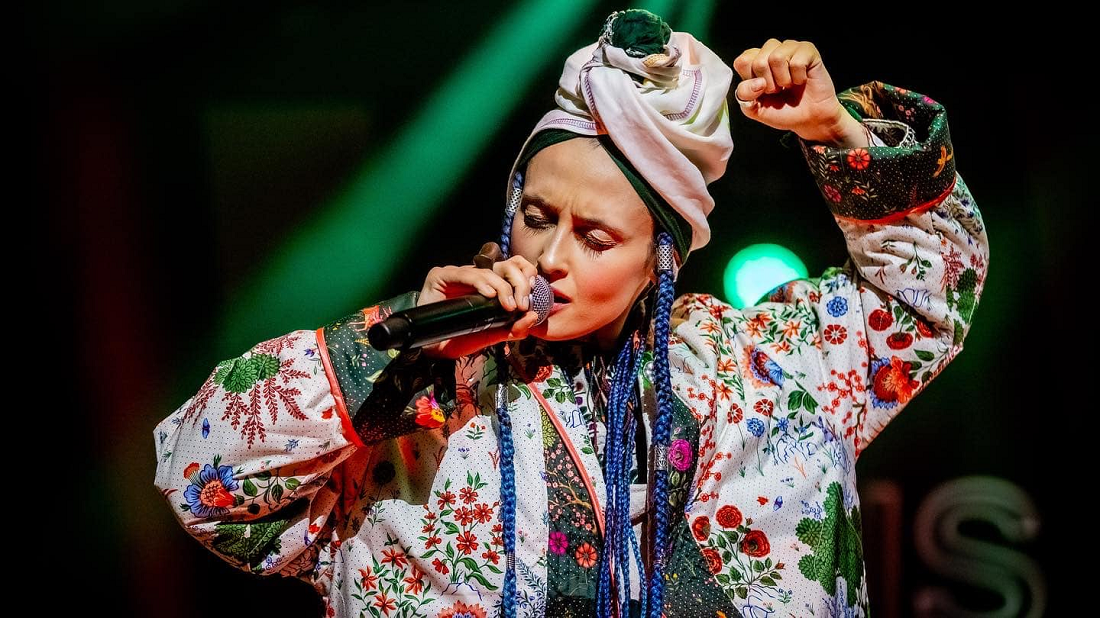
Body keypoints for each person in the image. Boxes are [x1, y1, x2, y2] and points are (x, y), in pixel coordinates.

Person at [153, 9, 988, 618]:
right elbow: (200, 476)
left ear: (661, 259)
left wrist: (837, 130)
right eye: (537, 216)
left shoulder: (766, 368)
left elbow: (926, 295)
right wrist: (399, 345)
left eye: (595, 237)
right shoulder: (417, 396)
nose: (552, 255)